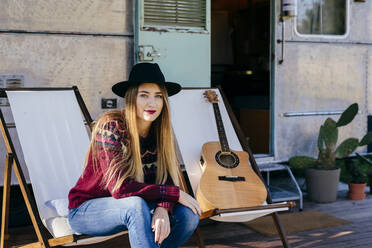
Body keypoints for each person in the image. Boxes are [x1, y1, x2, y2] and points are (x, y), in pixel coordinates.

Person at [68, 63, 201, 248]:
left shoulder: (160, 132)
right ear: (131, 98)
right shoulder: (111, 127)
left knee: (189, 214)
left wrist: (163, 207)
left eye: (158, 96)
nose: (152, 103)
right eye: (144, 95)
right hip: (87, 210)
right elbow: (120, 189)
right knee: (135, 206)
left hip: (140, 206)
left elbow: (168, 179)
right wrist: (172, 194)